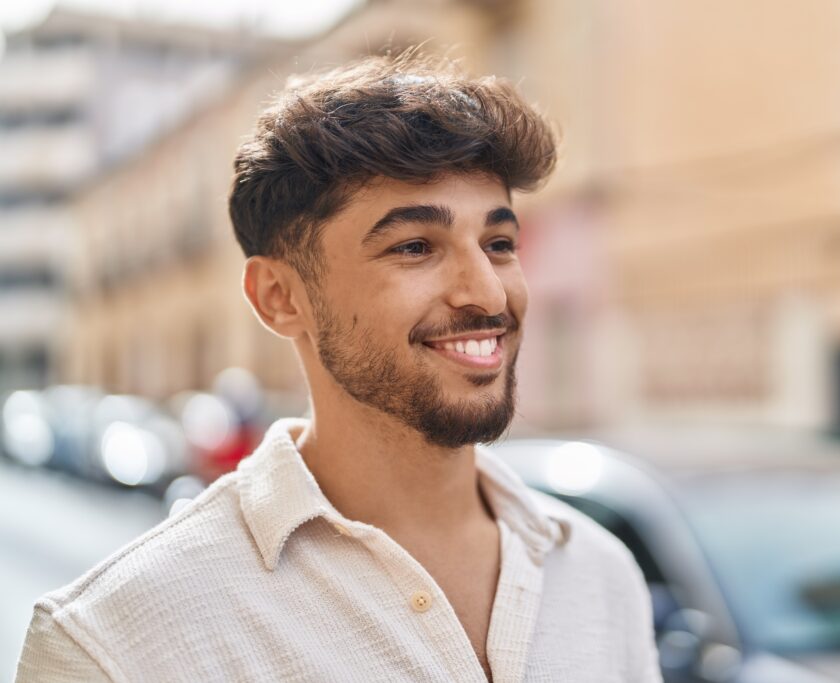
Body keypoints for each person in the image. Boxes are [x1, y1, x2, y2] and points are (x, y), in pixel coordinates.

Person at [16, 52, 661, 682]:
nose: (488, 293)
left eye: (499, 244)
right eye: (414, 247)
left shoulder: (601, 576)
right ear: (280, 297)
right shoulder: (113, 645)